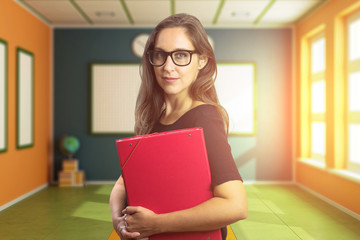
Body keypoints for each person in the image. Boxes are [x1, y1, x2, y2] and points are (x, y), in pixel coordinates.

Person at [110, 13, 248, 240]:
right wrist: (118, 221)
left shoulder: (205, 119)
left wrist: (155, 224)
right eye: (160, 55)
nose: (168, 67)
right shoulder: (153, 118)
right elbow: (123, 182)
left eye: (181, 55)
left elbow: (236, 205)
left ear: (202, 60)